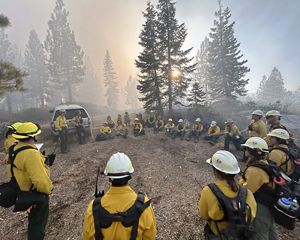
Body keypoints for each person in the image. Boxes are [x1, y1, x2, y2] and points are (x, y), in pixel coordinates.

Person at [83, 152, 157, 240]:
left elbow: (87, 237)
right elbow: (150, 236)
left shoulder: (92, 207)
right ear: (129, 175)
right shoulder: (143, 204)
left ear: (109, 178)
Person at [199, 150, 256, 239]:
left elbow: (203, 215)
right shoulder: (247, 192)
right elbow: (251, 216)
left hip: (219, 235)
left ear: (215, 170)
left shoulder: (208, 191)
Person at [10, 122, 53, 240]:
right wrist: (48, 190)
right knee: (38, 226)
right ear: (33, 136)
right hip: (36, 195)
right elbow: (40, 180)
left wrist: (43, 160)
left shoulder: (15, 149)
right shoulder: (31, 154)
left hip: (24, 193)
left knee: (33, 222)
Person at [239, 137, 278, 240]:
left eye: (247, 148)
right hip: (269, 205)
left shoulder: (255, 170)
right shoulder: (265, 164)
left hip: (261, 207)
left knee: (260, 234)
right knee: (271, 232)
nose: (245, 150)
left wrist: (241, 181)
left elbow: (246, 190)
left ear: (254, 151)